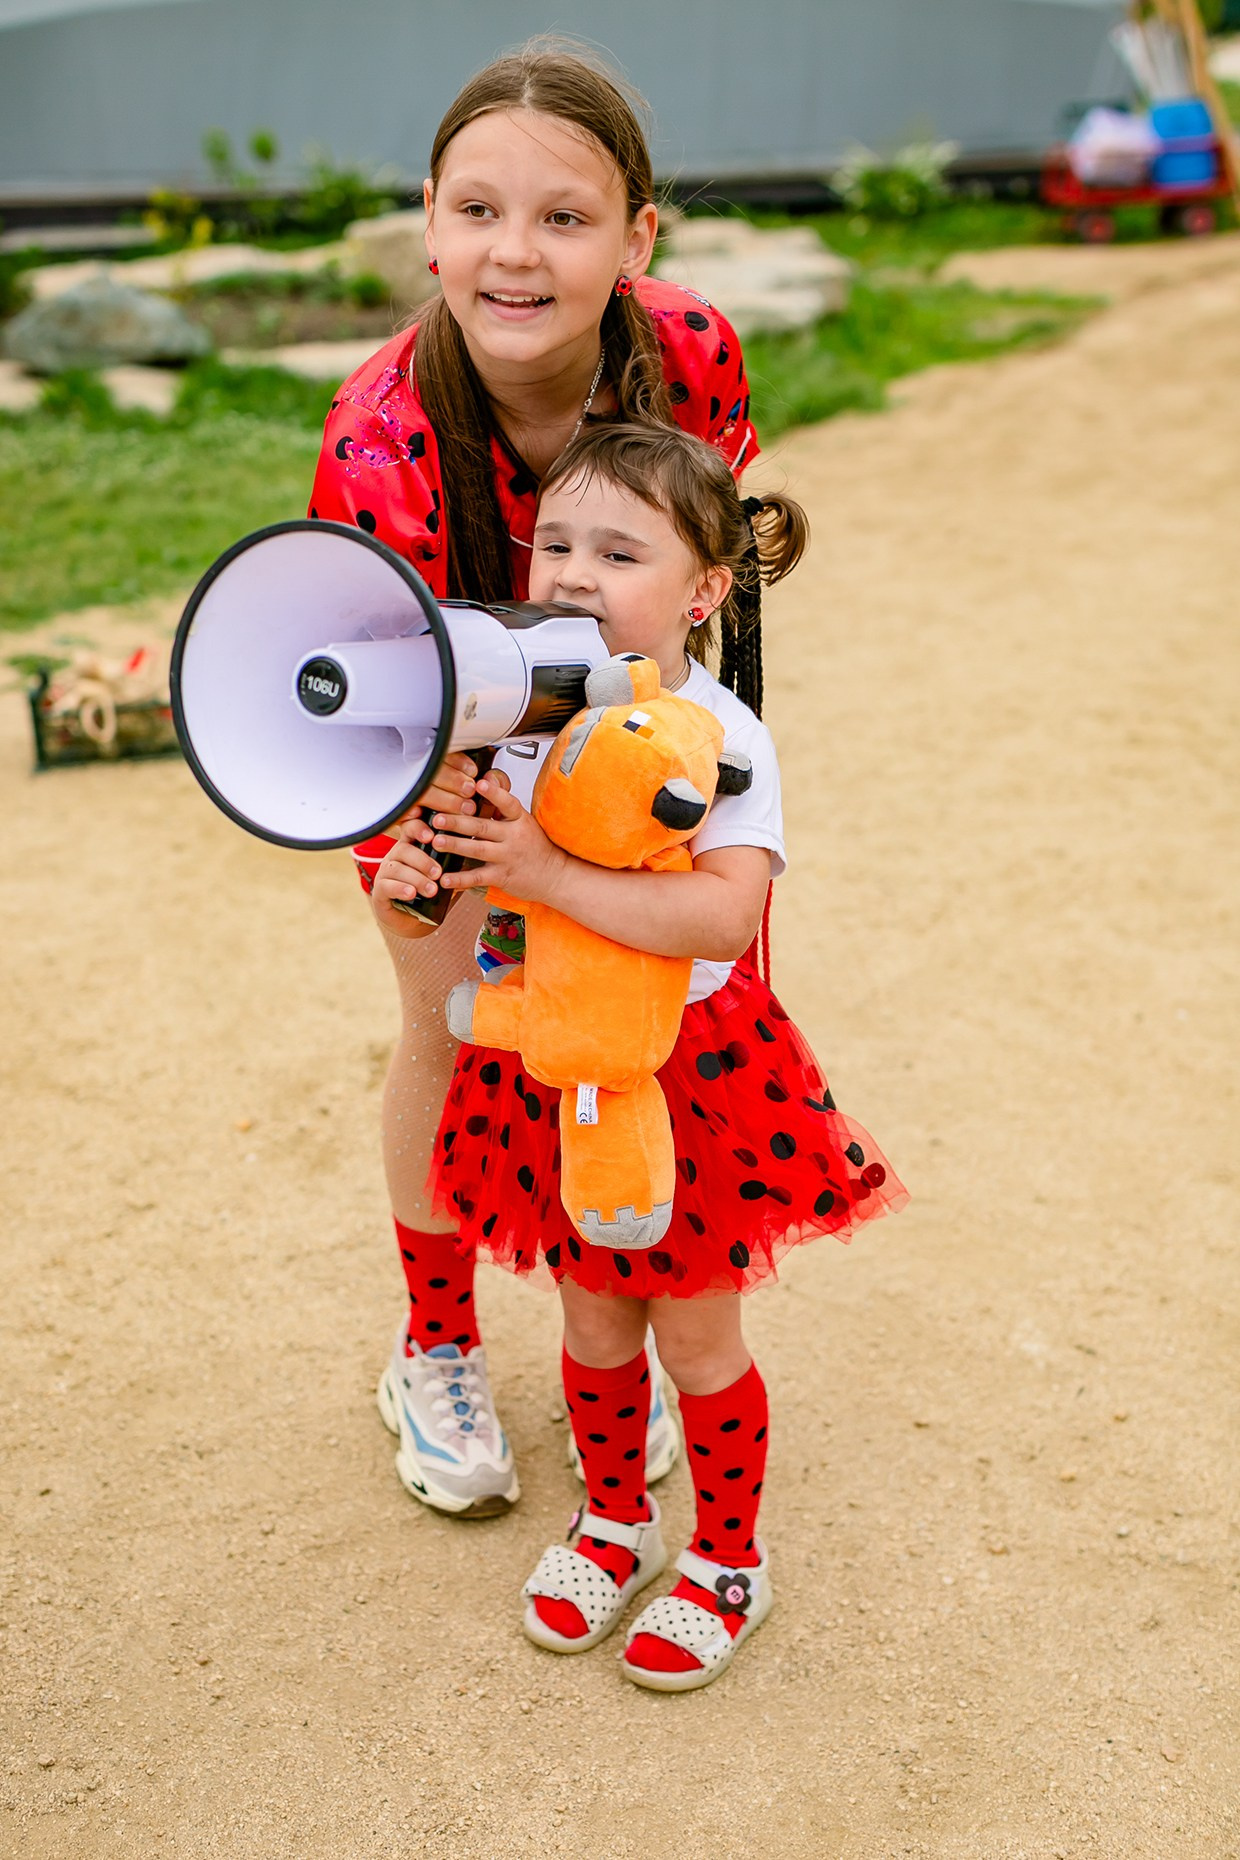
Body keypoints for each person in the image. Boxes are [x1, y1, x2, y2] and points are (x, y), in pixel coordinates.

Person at [307, 41, 763, 1520]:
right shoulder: (380, 431)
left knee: (649, 1033)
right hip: (441, 756)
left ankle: (620, 1346)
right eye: (478, 212)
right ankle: (434, 1341)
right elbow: (382, 689)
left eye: (566, 218)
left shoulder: (693, 350)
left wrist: (718, 772)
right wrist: (443, 839)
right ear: (429, 222)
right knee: (453, 1023)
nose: (516, 254)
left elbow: (718, 581)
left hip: (636, 736)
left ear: (638, 237)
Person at [403, 421, 908, 1690]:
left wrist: (542, 871)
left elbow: (721, 915)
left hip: (692, 1076)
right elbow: (475, 906)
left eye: (618, 551)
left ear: (702, 592)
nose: (572, 573)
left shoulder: (717, 730)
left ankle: (727, 1556)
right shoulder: (512, 721)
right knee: (590, 1322)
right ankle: (616, 1525)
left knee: (693, 1341)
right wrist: (433, 877)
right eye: (555, 540)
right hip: (561, 1068)